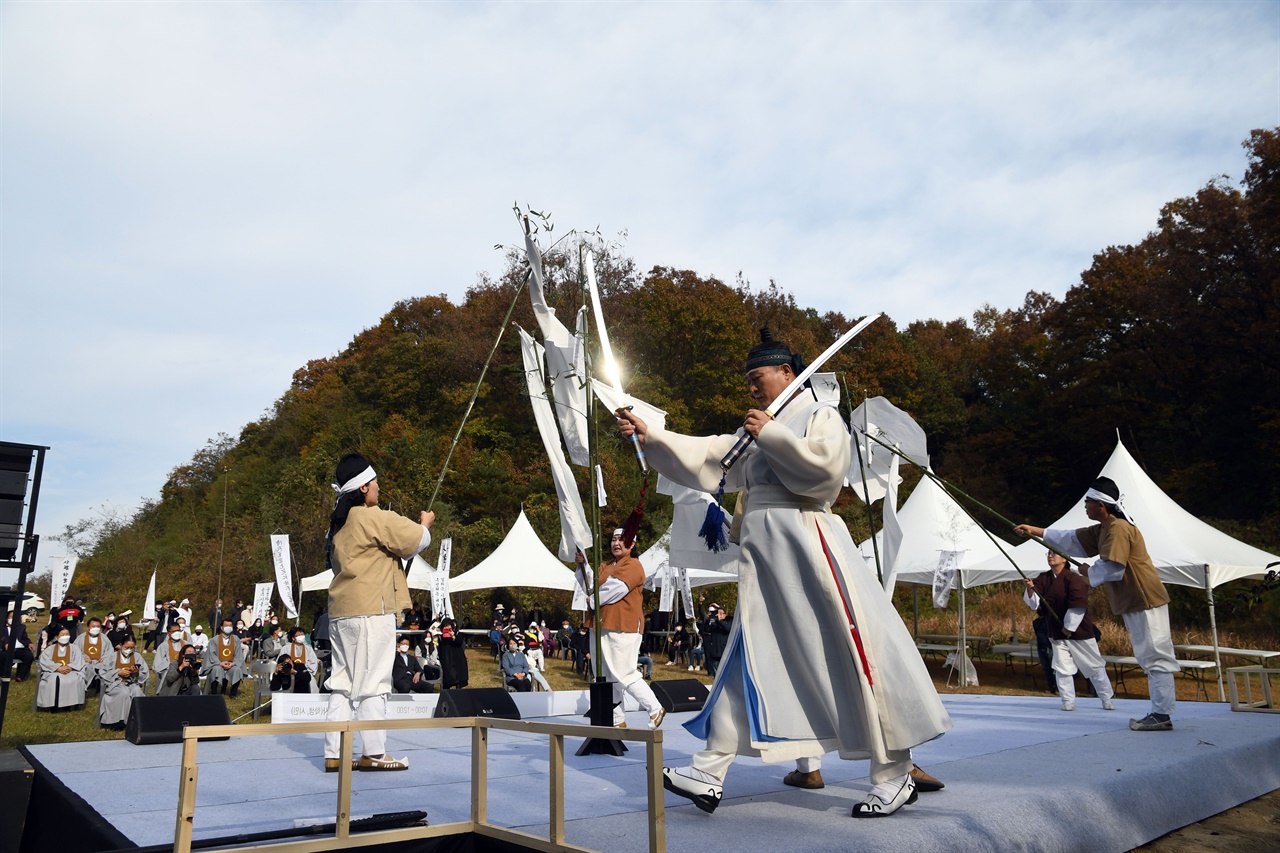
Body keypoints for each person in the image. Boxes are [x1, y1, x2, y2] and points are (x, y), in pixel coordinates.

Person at [617, 327, 952, 817]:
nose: (752, 387)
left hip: (807, 541)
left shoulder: (818, 414)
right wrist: (652, 433)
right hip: (763, 552)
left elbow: (825, 474)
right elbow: (712, 456)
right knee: (749, 652)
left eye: (759, 377)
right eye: (748, 380)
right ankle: (708, 770)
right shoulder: (760, 425)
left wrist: (770, 435)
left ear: (787, 373)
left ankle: (894, 773)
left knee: (849, 651)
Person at [1016, 476, 1179, 732]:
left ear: (1101, 505)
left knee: (1155, 654)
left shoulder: (1118, 528)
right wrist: (1035, 531)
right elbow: (1071, 539)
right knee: (1149, 655)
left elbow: (1113, 567)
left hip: (1145, 598)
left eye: (1088, 502)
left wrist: (1086, 570)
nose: (1085, 507)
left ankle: (1162, 713)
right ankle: (1161, 712)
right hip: (1135, 601)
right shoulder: (1103, 528)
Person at [322, 453, 433, 773]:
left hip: (341, 612)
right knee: (373, 683)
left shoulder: (337, 526)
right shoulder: (373, 517)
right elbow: (415, 540)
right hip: (371, 611)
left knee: (341, 684)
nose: (378, 487)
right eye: (374, 482)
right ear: (363, 488)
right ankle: (374, 752)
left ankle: (335, 753)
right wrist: (424, 524)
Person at [575, 531, 666, 729]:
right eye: (614, 540)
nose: (616, 543)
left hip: (623, 626)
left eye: (621, 540)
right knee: (605, 675)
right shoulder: (606, 566)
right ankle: (617, 721)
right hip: (601, 625)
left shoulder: (633, 565)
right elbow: (590, 586)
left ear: (632, 544)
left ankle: (655, 707)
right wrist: (583, 565)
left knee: (623, 672)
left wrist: (592, 600)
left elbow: (610, 592)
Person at [1022, 550, 1116, 711]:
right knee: (1062, 667)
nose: (1050, 556)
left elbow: (1078, 604)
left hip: (1080, 632)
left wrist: (1069, 627)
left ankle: (1106, 697)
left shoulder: (1075, 579)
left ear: (1064, 559)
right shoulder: (1043, 578)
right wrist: (1030, 589)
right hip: (1057, 632)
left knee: (1093, 666)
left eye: (1054, 554)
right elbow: (1034, 604)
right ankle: (1067, 700)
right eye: (1048, 554)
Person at [98, 636, 148, 729]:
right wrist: (117, 673)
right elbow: (103, 672)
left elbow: (144, 673)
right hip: (115, 684)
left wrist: (136, 673)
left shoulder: (137, 657)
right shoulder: (112, 656)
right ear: (121, 645)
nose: (129, 650)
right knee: (123, 693)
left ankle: (137, 720)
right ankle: (116, 722)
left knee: (136, 692)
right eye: (126, 647)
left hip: (132, 682)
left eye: (131, 648)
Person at [36, 626, 87, 711]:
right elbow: (45, 661)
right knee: (53, 680)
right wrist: (57, 668)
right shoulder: (50, 649)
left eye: (67, 634)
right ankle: (54, 705)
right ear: (56, 637)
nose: (65, 636)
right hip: (53, 671)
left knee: (74, 680)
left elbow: (78, 660)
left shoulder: (74, 648)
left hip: (71, 671)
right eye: (62, 635)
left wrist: (70, 667)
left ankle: (69, 705)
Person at [201, 619, 246, 696]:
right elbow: (212, 654)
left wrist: (233, 663)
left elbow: (238, 654)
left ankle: (233, 693)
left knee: (237, 670)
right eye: (226, 626)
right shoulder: (214, 640)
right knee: (216, 669)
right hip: (217, 663)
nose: (228, 627)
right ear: (222, 627)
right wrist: (220, 663)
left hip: (231, 663)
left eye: (230, 626)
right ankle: (214, 692)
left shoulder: (235, 639)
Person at [74, 617, 114, 694]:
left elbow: (110, 650)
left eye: (98, 627)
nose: (95, 628)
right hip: (86, 661)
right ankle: (84, 688)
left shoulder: (104, 638)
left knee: (105, 666)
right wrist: (84, 658)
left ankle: (101, 688)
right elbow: (76, 650)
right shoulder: (80, 638)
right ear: (88, 627)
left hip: (100, 661)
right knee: (86, 667)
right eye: (93, 626)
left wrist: (104, 657)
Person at [437, 618, 469, 689]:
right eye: (445, 626)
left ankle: (458, 688)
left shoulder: (457, 633)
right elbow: (440, 647)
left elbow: (460, 642)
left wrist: (453, 637)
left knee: (458, 675)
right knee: (447, 675)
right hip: (446, 657)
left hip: (457, 657)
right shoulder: (441, 636)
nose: (447, 627)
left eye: (448, 625)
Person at [700, 605, 731, 677]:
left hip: (723, 651)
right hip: (714, 652)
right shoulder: (715, 624)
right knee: (716, 674)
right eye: (717, 613)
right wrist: (707, 620)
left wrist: (719, 621)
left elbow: (728, 629)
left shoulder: (727, 622)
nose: (718, 615)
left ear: (724, 615)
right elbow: (707, 629)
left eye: (721, 613)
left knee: (724, 673)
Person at [2, 617, 34, 682]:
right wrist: (5, 644)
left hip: (20, 648)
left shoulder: (21, 627)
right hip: (8, 649)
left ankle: (21, 676)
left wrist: (29, 643)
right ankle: (3, 674)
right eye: (11, 617)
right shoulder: (3, 628)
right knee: (3, 656)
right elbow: (2, 638)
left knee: (29, 656)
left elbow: (25, 638)